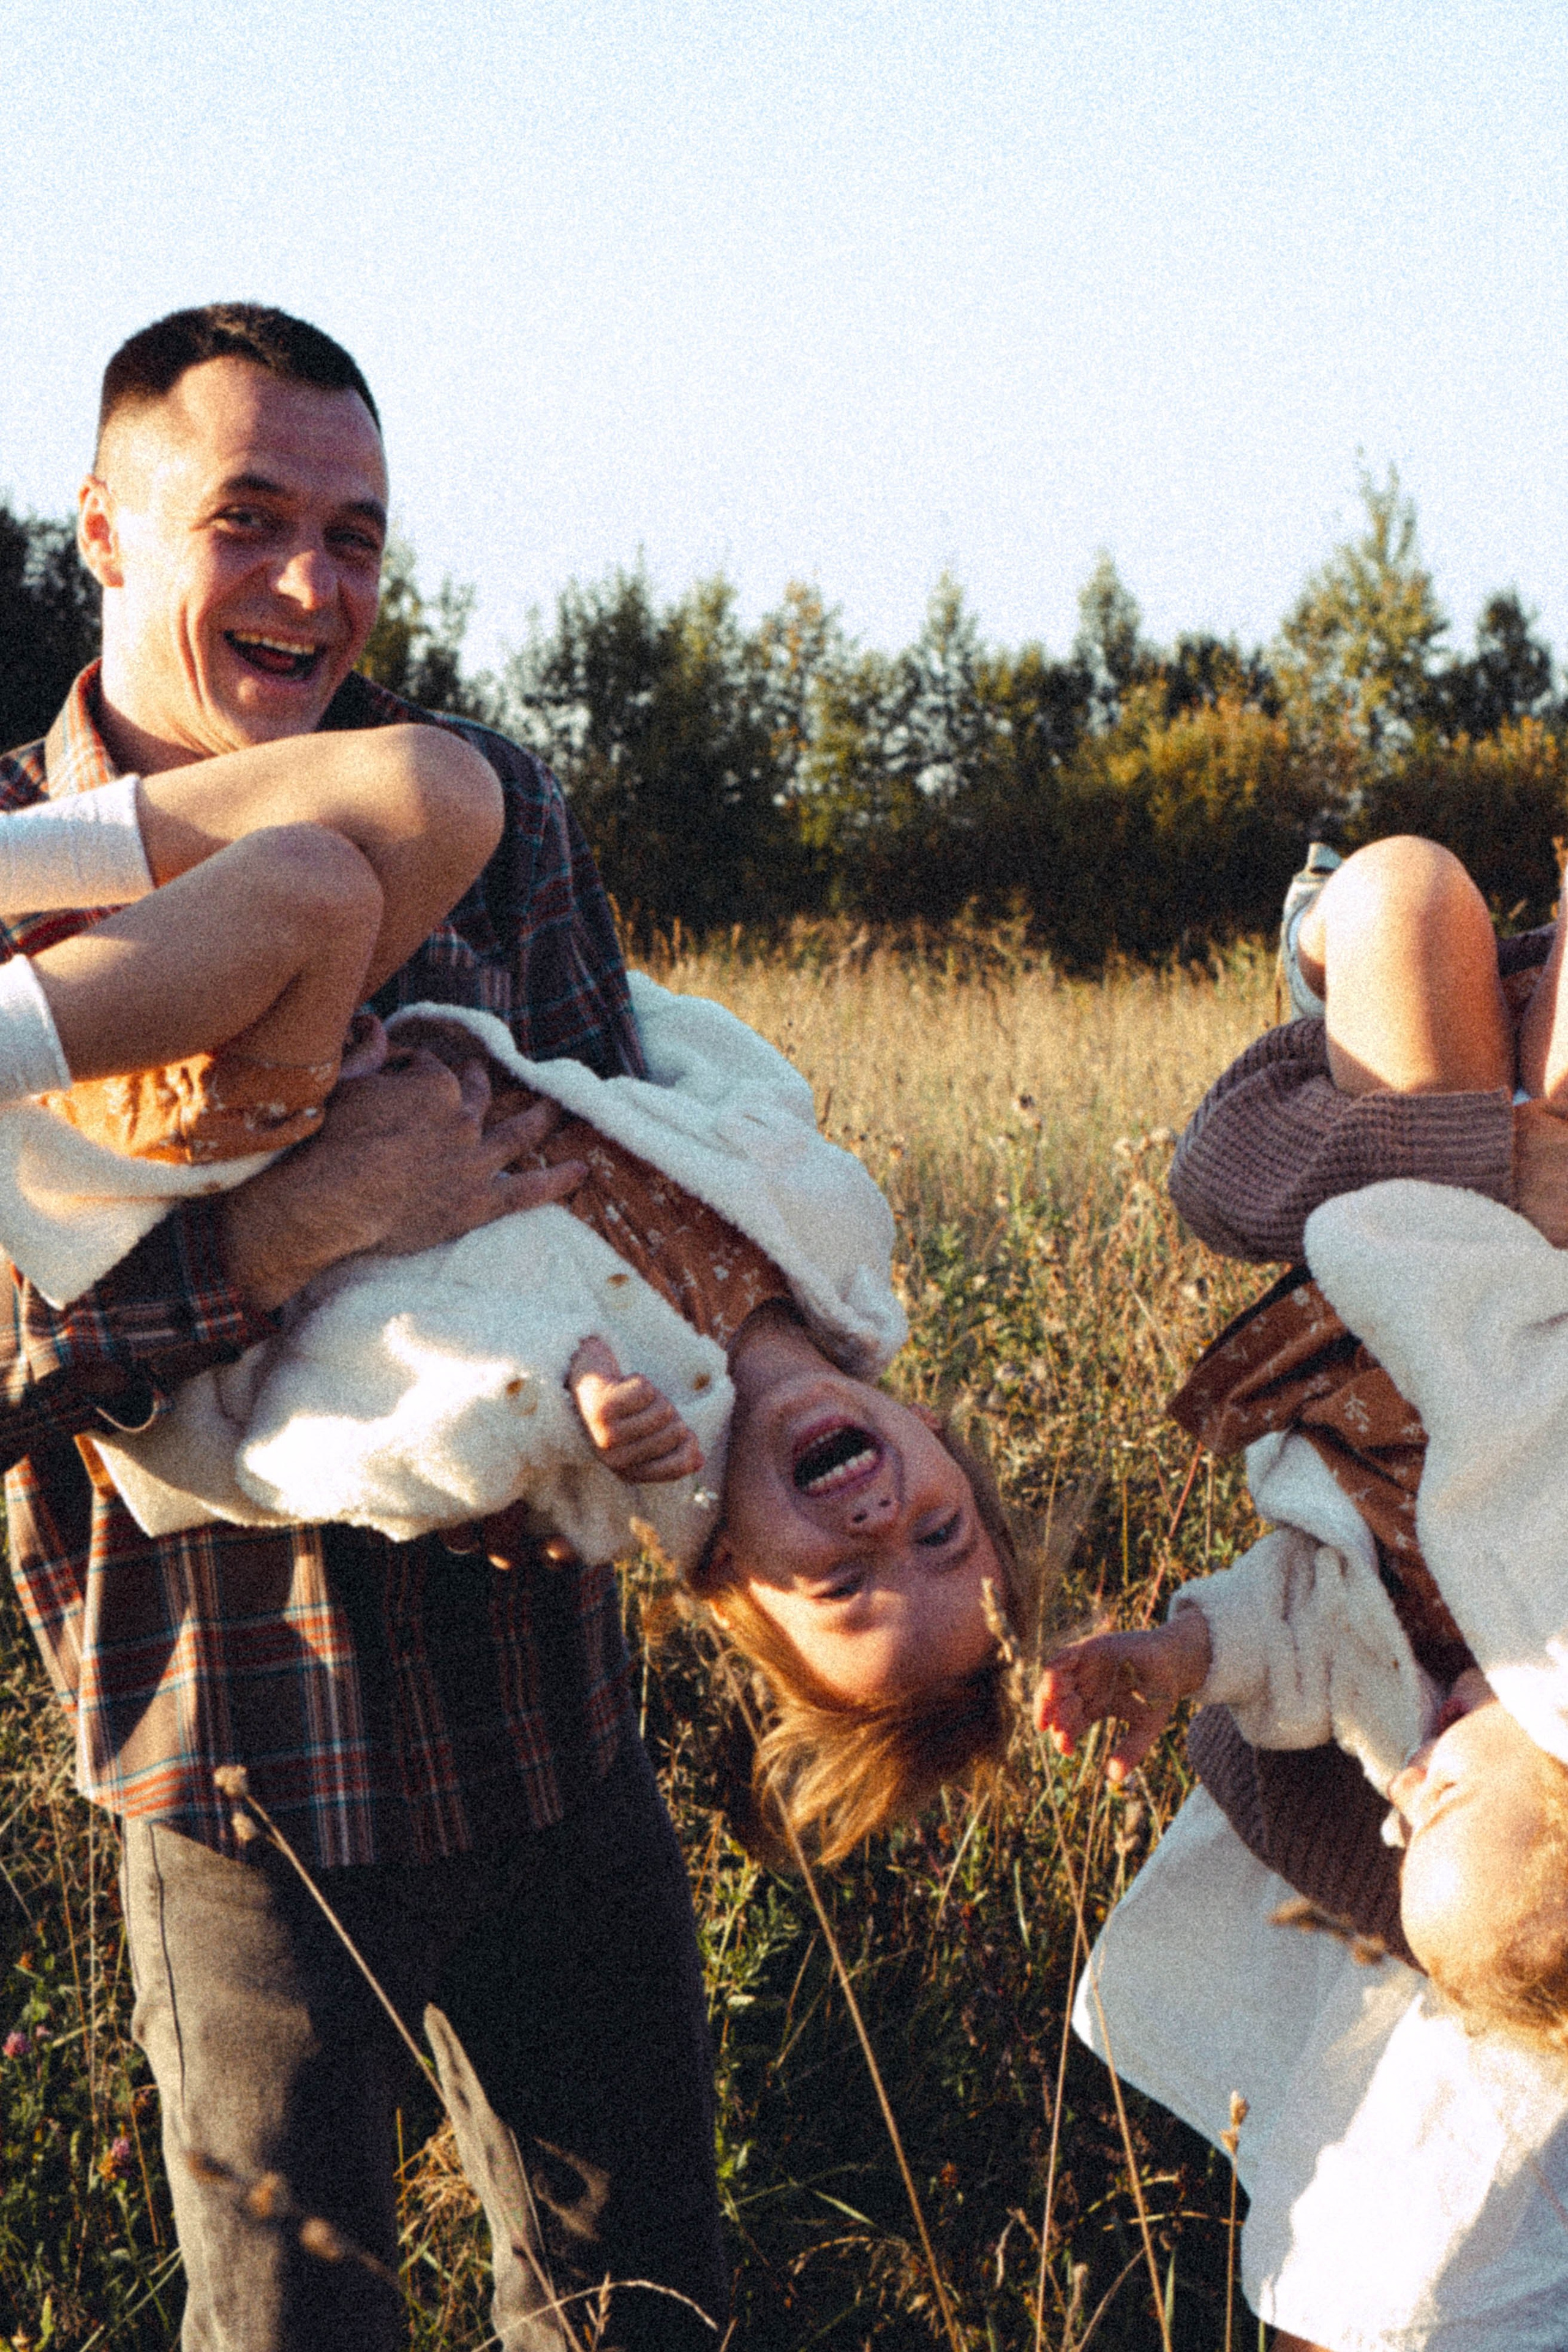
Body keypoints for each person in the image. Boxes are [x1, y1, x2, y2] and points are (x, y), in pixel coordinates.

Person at [0, 301, 727, 2352]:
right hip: (244, 1775)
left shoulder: (484, 810)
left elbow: (625, 1194)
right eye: (249, 521)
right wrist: (284, 1233)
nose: (313, 586)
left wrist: (572, 1456)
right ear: (109, 535)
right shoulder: (11, 889)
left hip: (554, 1730)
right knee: (295, 2330)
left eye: (359, 534)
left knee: (644, 2308)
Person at [0, 770, 1026, 1871]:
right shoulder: (845, 1257)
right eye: (938, 1534)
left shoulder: (610, 1456)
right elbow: (686, 1049)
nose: (879, 1525)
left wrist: (544, 1389)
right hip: (316, 1031)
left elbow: (350, 1426)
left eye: (841, 1585)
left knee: (313, 895)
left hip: (230, 1130)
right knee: (420, 815)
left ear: (728, 1575)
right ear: (938, 1437)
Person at [1061, 833, 1568, 2352]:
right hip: (1478, 1345)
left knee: (1409, 2273)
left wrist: (1178, 1648)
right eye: (1443, 1800)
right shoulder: (1540, 1692)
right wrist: (1489, 1159)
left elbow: (1310, 1639)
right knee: (1378, 2256)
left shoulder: (1434, 1741)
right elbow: (1220, 1175)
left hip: (1425, 1321)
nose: (1416, 1782)